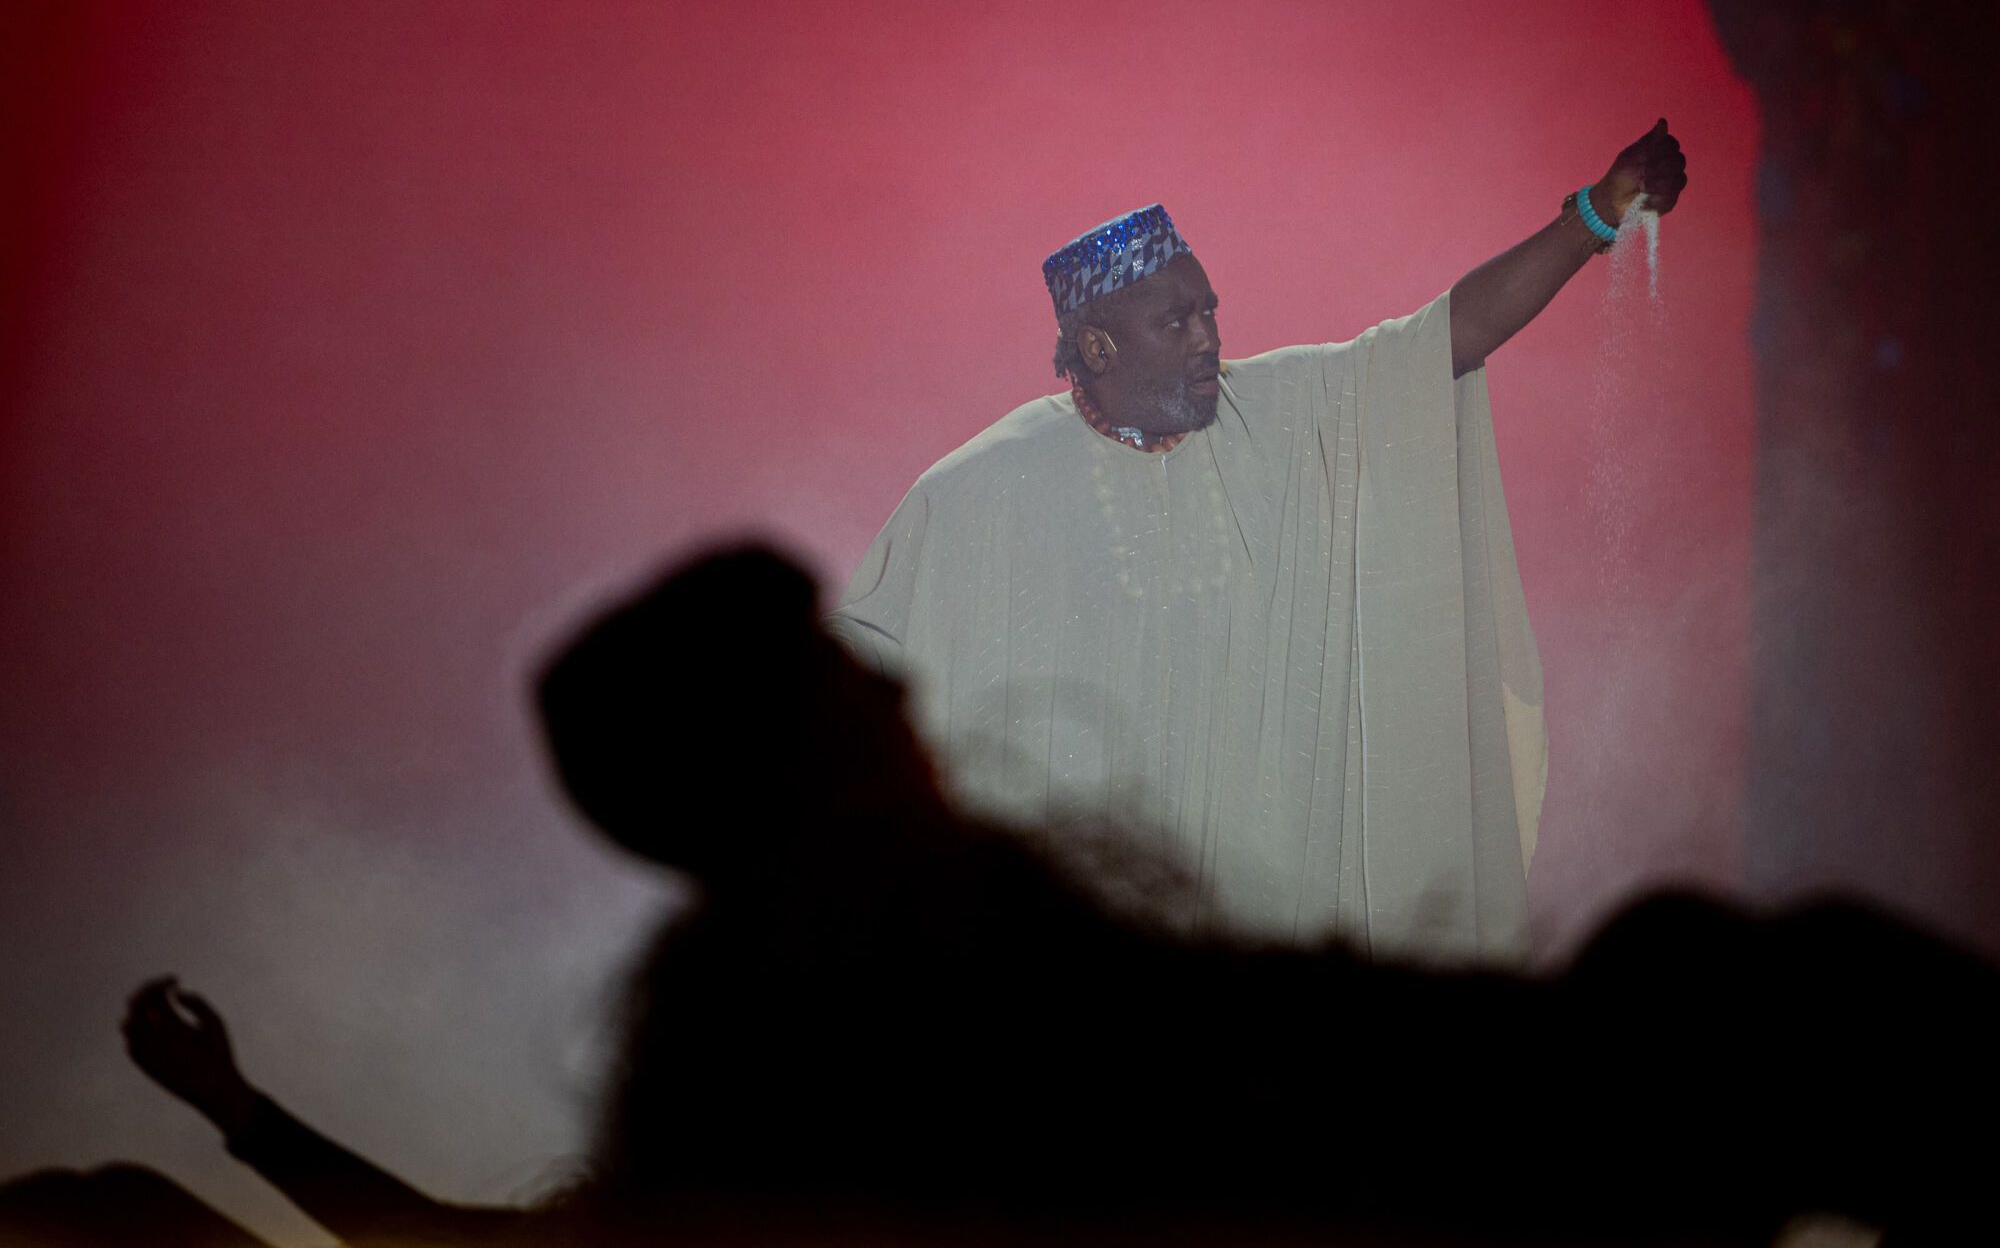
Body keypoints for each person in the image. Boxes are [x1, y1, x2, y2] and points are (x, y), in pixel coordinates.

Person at [7, 546, 1994, 1248]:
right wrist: (237, 1131)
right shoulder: (805, 1050)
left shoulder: (898, 965)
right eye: (835, 678)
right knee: (1761, 999)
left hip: (1469, 1156)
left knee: (1729, 992)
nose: (896, 695)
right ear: (775, 759)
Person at [830, 124, 1689, 964]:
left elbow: (1444, 339)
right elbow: (855, 675)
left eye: (1209, 311)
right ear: (1097, 346)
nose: (1208, 338)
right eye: (1176, 321)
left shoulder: (1279, 415)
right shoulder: (988, 486)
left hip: (1263, 944)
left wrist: (1595, 213)